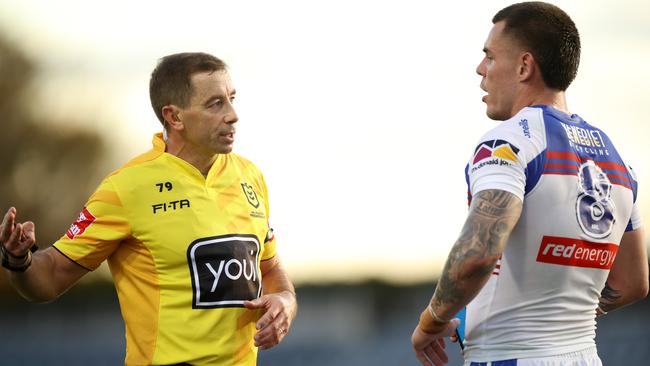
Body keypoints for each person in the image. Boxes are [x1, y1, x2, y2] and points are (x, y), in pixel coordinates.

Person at [0, 52, 297, 366]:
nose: (233, 114)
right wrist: (18, 258)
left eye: (232, 98)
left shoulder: (250, 176)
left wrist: (286, 301)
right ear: (174, 117)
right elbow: (50, 277)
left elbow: (270, 268)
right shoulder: (127, 187)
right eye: (215, 104)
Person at [411, 2, 648, 366]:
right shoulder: (615, 158)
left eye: (489, 56)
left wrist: (433, 320)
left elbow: (478, 253)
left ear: (524, 66)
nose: (480, 69)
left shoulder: (508, 143)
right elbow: (634, 282)